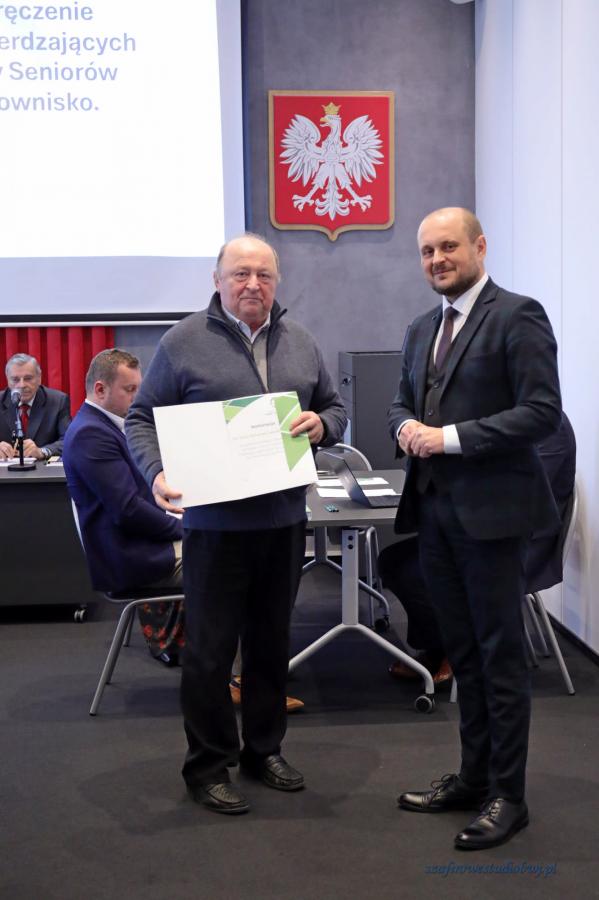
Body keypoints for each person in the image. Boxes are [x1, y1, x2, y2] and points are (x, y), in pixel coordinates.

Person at [126, 233, 347, 815]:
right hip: (215, 528)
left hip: (282, 522)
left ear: (277, 281)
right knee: (209, 654)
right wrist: (155, 473)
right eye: (240, 274)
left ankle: (263, 750)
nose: (253, 284)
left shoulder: (301, 340)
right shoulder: (182, 342)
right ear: (217, 280)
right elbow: (141, 418)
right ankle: (207, 766)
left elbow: (334, 407)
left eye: (264, 275)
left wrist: (323, 425)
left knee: (271, 646)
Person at [388, 207, 562, 851]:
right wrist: (406, 426)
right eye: (427, 251)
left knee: (500, 659)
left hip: (493, 518)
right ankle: (473, 777)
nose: (437, 260)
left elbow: (542, 412)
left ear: (480, 246)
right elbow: (401, 402)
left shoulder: (518, 315)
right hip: (434, 514)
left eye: (449, 247)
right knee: (463, 655)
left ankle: (508, 797)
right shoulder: (420, 328)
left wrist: (449, 438)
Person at [379, 412, 576, 685]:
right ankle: (437, 647)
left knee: (416, 571)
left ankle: (459, 651)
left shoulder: (547, 426)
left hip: (520, 544)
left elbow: (520, 496)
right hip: (480, 531)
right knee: (394, 561)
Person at [62, 349, 184, 664]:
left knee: (226, 551)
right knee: (228, 566)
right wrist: (184, 528)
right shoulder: (91, 434)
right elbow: (128, 510)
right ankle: (237, 673)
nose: (137, 397)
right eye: (130, 390)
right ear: (100, 389)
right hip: (130, 558)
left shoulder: (104, 425)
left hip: (136, 543)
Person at [0, 353, 71, 460]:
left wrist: (42, 451)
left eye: (28, 378)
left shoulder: (58, 401)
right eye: (15, 379)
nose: (22, 385)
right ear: (8, 380)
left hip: (42, 468)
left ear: (39, 378)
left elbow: (68, 440)